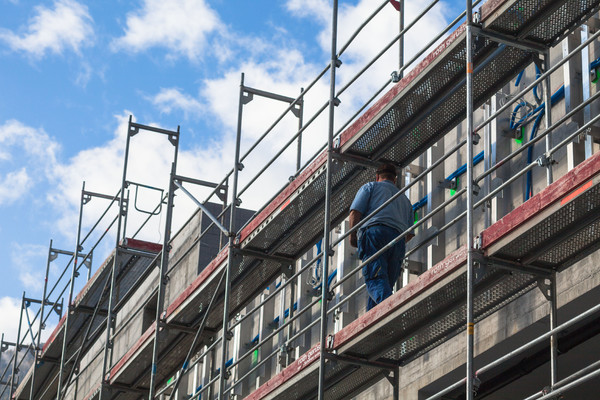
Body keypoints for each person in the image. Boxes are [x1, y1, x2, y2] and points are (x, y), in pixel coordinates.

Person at [349, 163, 414, 311]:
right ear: (395, 179)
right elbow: (410, 233)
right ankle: (373, 317)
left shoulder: (370, 187)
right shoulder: (404, 200)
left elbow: (355, 212)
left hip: (374, 233)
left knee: (376, 278)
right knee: (385, 284)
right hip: (398, 240)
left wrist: (353, 236)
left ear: (377, 176)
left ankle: (391, 310)